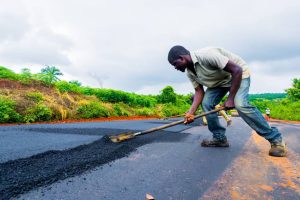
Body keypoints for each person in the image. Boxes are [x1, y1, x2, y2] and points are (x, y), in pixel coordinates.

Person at [167, 45, 287, 157]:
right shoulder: (189, 72)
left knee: (241, 105)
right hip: (218, 83)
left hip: (238, 75)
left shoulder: (207, 55)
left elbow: (237, 70)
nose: (175, 68)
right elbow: (199, 92)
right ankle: (219, 139)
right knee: (207, 104)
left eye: (175, 64)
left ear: (182, 58)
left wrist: (231, 99)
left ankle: (276, 140)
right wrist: (191, 112)